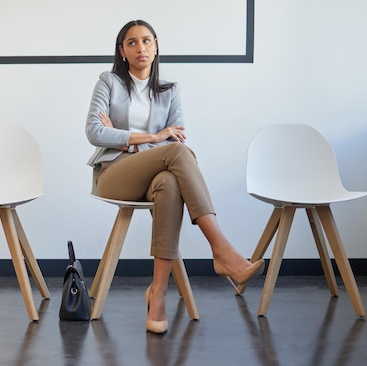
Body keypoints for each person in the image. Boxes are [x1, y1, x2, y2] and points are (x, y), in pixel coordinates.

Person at [85, 20, 264, 334]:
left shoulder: (170, 91)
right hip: (113, 173)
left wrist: (126, 135)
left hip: (153, 173)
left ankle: (157, 296)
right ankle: (222, 250)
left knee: (169, 182)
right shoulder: (108, 82)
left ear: (155, 46)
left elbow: (175, 139)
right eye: (132, 43)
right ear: (122, 51)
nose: (140, 48)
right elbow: (95, 132)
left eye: (146, 41)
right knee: (179, 156)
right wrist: (152, 138)